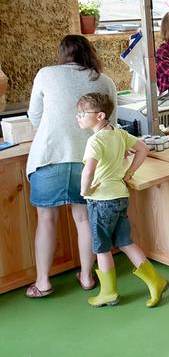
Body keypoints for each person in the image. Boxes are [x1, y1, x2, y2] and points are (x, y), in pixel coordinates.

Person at [24, 35, 117, 299]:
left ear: (63, 54)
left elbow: (35, 116)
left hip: (49, 157)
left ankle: (43, 282)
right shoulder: (105, 81)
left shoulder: (46, 74)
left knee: (46, 219)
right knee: (84, 218)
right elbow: (111, 125)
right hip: (87, 161)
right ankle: (87, 277)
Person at [77, 92, 169, 308]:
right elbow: (142, 149)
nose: (78, 117)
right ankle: (156, 281)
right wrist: (129, 173)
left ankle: (108, 293)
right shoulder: (118, 133)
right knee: (126, 242)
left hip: (101, 201)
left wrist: (84, 190)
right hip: (119, 196)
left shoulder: (94, 141)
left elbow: (88, 171)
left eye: (82, 113)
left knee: (101, 248)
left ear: (100, 116)